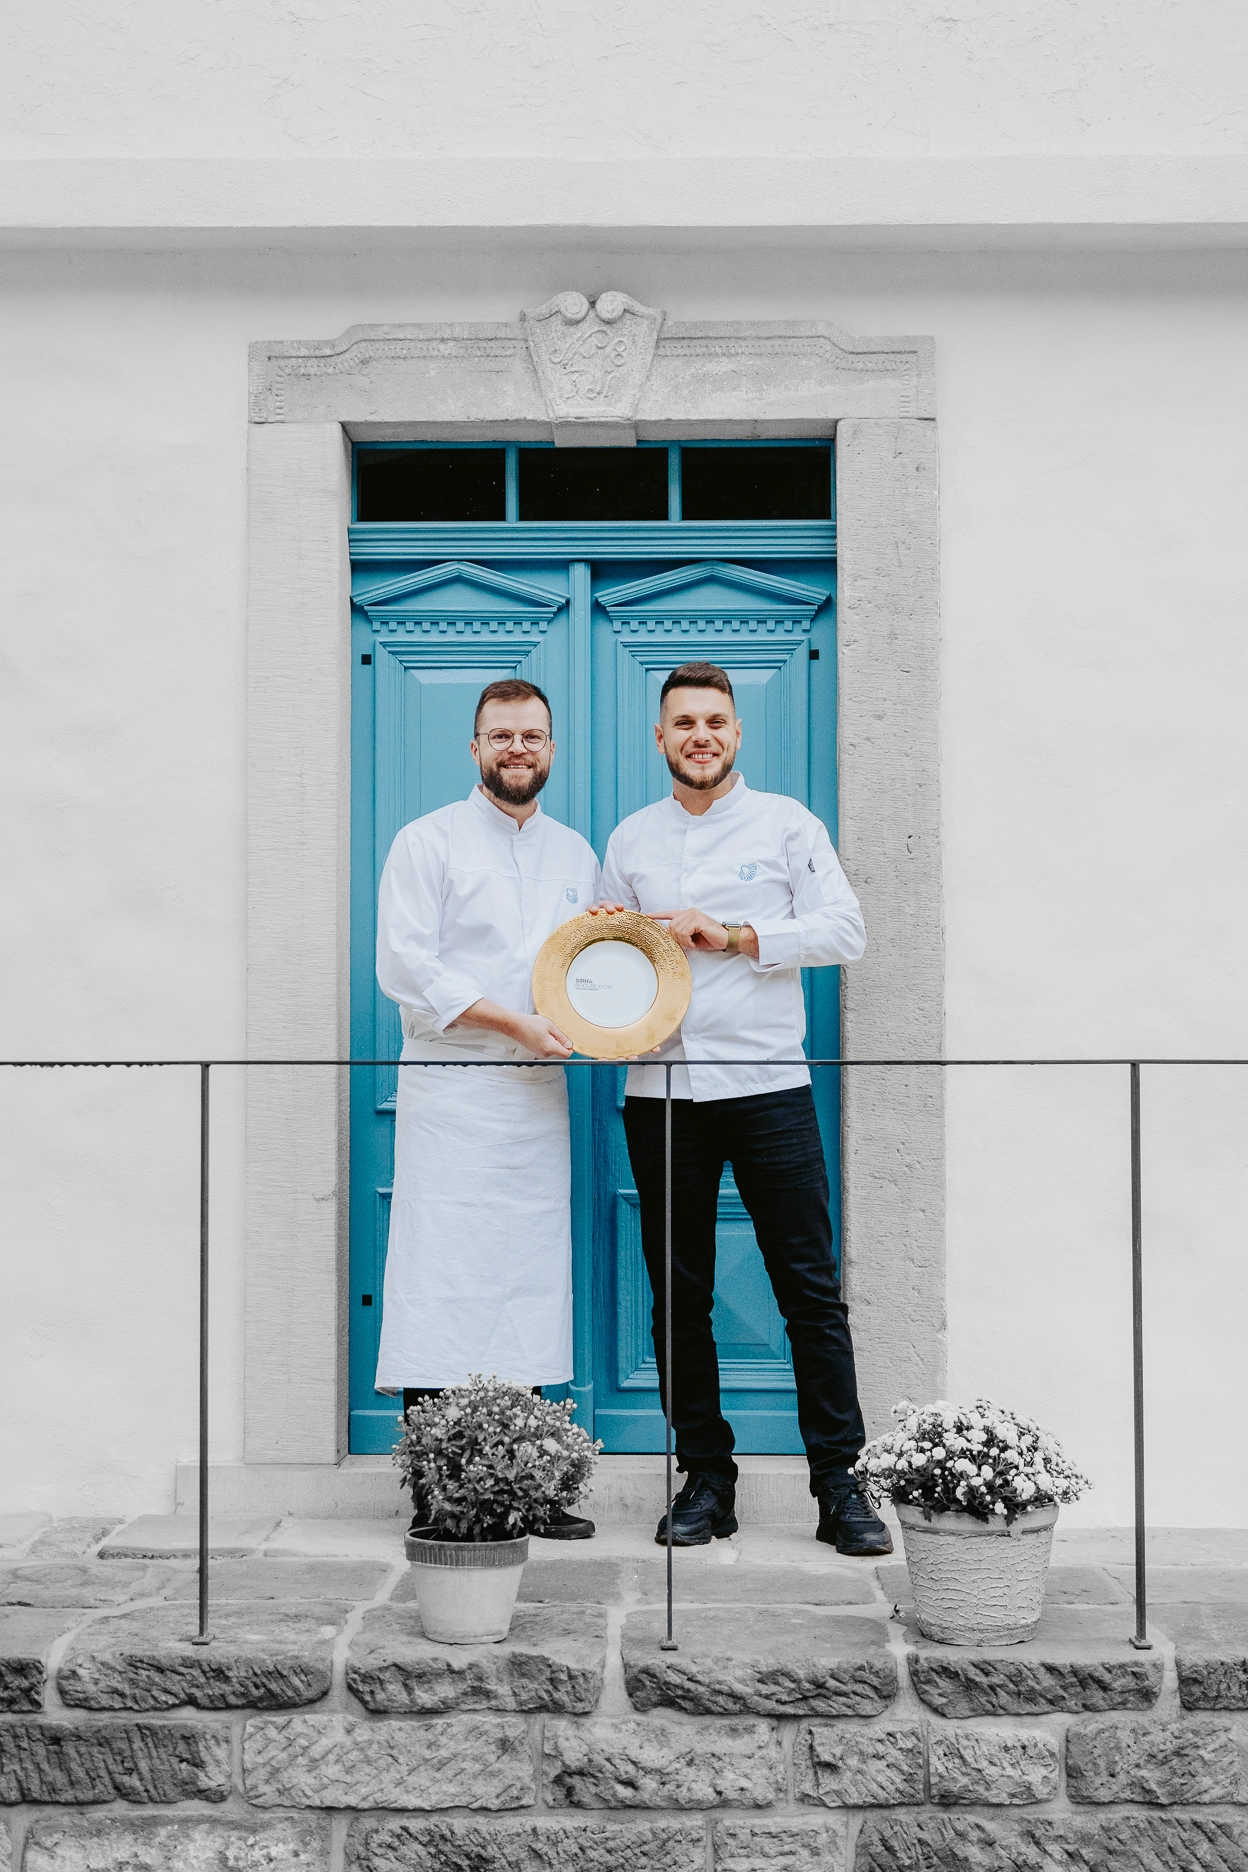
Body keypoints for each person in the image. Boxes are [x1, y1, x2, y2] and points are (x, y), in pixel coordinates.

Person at [596, 660, 891, 1556]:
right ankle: (706, 1479)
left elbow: (845, 930)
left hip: (769, 1086)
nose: (701, 736)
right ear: (660, 737)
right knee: (678, 1298)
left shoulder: (788, 824)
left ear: (736, 732)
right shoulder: (631, 839)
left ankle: (839, 1483)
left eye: (715, 722)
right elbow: (605, 968)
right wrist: (610, 943)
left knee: (809, 1291)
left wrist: (734, 936)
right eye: (684, 723)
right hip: (661, 1091)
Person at [375, 678, 599, 1540]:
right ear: (474, 747)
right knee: (443, 1280)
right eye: (501, 735)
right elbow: (407, 967)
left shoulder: (576, 854)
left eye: (531, 736)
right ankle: (440, 1491)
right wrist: (513, 1023)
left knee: (526, 1282)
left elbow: (586, 966)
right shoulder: (425, 841)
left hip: (536, 1096)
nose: (517, 749)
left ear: (551, 749)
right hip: (452, 1086)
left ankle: (528, 1487)